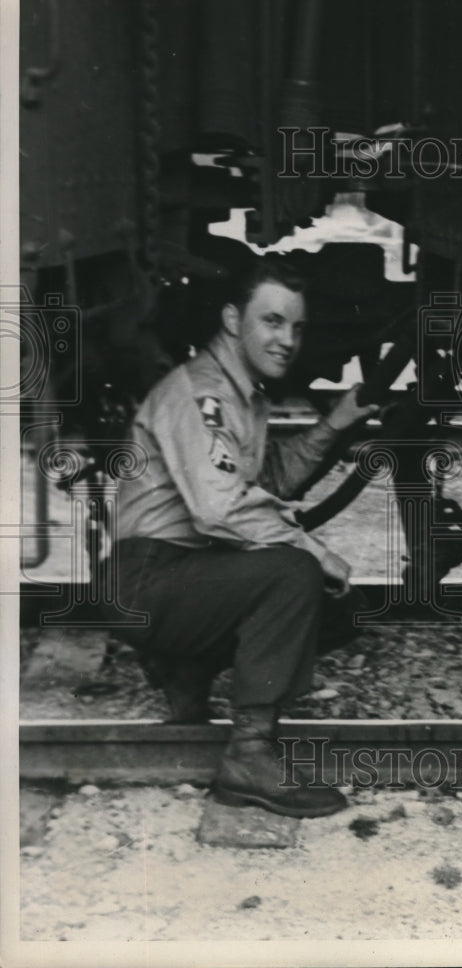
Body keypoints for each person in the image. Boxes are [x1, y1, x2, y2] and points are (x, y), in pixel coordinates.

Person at [113, 255, 378, 818]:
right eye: (273, 321)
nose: (287, 339)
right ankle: (249, 755)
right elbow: (218, 509)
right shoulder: (202, 394)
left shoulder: (243, 395)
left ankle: (188, 668)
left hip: (178, 576)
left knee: (340, 608)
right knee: (293, 572)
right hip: (147, 578)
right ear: (234, 320)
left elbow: (268, 480)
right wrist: (313, 551)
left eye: (296, 327)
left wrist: (336, 423)